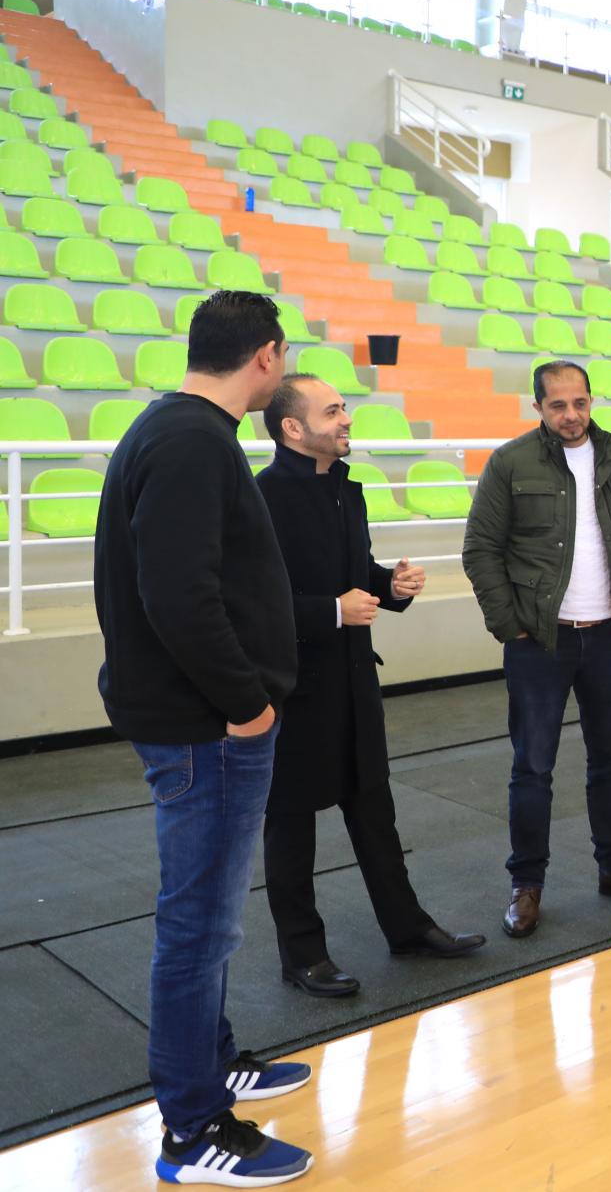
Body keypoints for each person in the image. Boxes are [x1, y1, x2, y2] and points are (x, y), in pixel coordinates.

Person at [94, 291, 315, 1186]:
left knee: (208, 921)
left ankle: (212, 1056)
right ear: (265, 356)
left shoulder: (178, 431)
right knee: (199, 924)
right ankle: (192, 1127)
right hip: (205, 725)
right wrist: (245, 703)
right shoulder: (190, 442)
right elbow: (179, 596)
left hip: (199, 718)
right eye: (285, 356)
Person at [256, 376, 484, 1000]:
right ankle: (302, 955)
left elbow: (352, 576)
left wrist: (390, 585)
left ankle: (407, 928)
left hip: (354, 683)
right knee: (291, 826)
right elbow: (252, 604)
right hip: (296, 690)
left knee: (375, 813)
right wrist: (331, 611)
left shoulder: (346, 492)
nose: (347, 418)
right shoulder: (262, 498)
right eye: (333, 411)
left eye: (344, 408)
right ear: (293, 428)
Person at [463, 361, 611, 940]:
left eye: (579, 403)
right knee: (532, 766)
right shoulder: (510, 462)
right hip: (541, 641)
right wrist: (510, 624)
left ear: (590, 401)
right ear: (538, 408)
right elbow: (480, 548)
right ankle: (526, 885)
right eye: (558, 405)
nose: (571, 415)